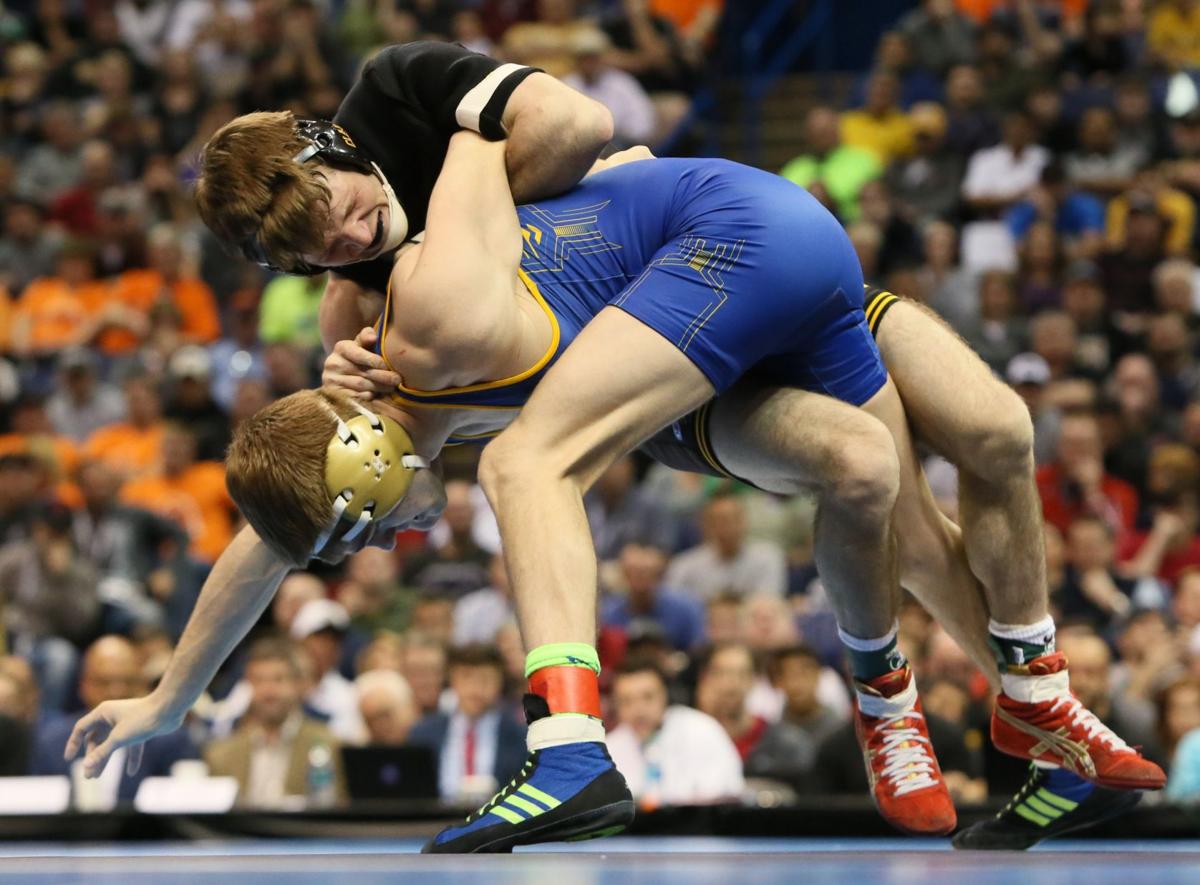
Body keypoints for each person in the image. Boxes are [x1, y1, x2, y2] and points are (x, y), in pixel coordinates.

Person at [69, 144, 1160, 851]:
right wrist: (168, 697)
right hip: (695, 380)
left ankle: (1038, 713)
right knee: (875, 482)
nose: (396, 545)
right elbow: (271, 537)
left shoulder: (427, 291)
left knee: (999, 431)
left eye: (369, 532)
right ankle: (956, 709)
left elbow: (547, 130)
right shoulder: (391, 354)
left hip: (749, 285)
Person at [33, 636, 197, 807]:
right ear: (83, 686)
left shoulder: (171, 740)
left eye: (127, 681)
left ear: (142, 684)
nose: (116, 691)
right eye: (104, 682)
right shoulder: (52, 742)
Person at [204, 637, 346, 808]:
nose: (268, 691)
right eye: (259, 681)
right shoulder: (221, 754)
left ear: (299, 684)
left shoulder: (330, 746)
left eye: (278, 680)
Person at [606, 657, 743, 807]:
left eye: (648, 697)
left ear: (665, 695)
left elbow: (726, 796)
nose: (638, 710)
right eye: (626, 701)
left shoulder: (702, 730)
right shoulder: (608, 750)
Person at [406, 644, 526, 802]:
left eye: (485, 679)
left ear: (499, 683)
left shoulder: (519, 736)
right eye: (466, 677)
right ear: (452, 680)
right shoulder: (423, 734)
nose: (475, 688)